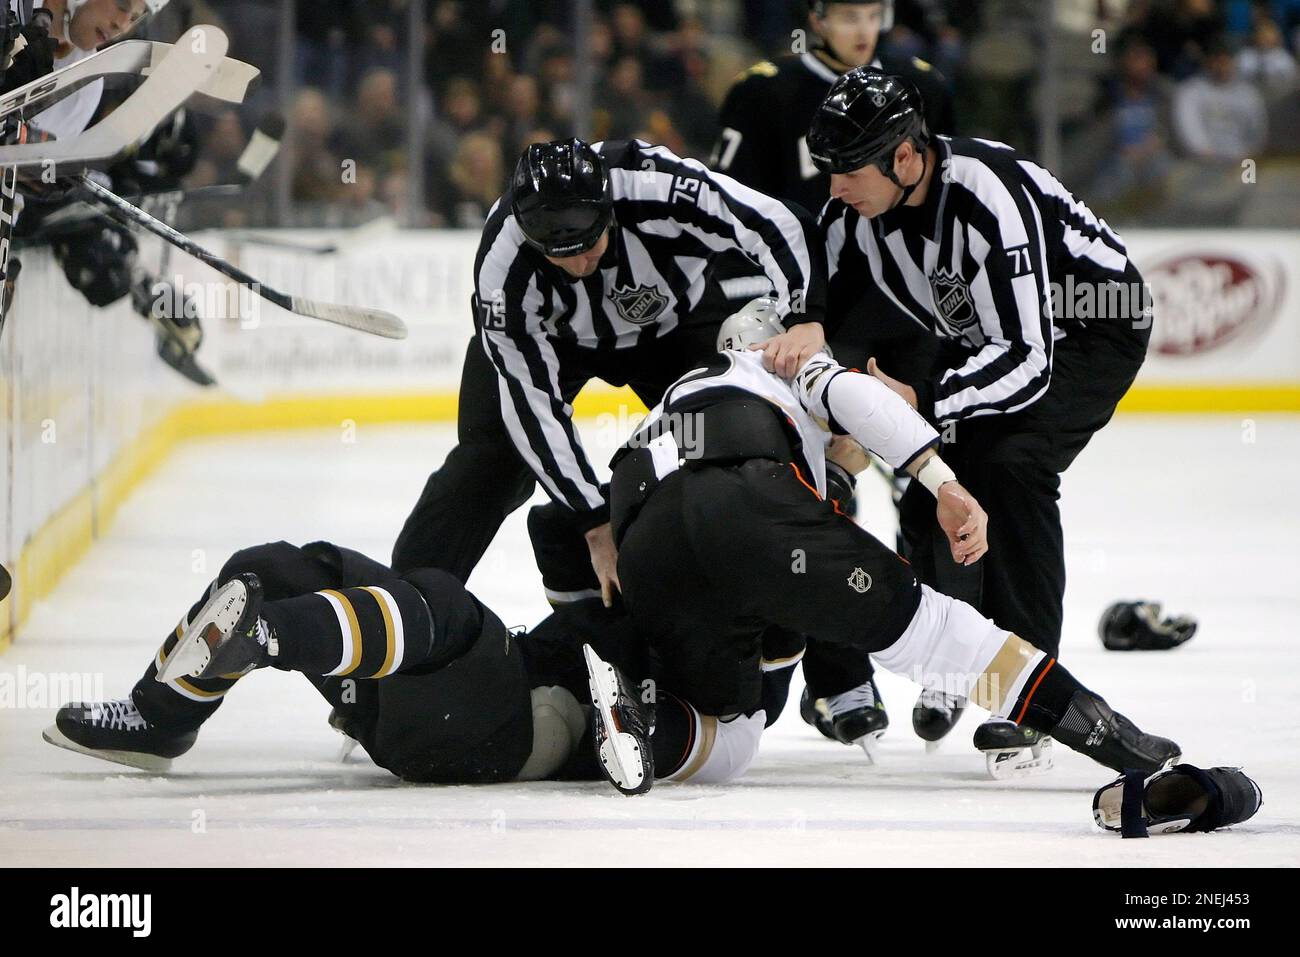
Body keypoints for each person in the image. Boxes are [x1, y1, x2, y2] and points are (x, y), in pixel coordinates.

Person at [592, 296, 1180, 792]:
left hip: (647, 547)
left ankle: (644, 722)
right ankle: (1113, 739)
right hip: (748, 503)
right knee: (944, 634)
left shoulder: (677, 398)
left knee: (733, 731)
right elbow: (860, 400)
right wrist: (942, 483)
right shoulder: (780, 362)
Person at [807, 68, 1156, 766]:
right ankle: (959, 659)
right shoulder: (852, 214)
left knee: (1011, 466)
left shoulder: (985, 195)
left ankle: (1037, 705)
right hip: (988, 339)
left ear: (904, 157)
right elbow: (818, 302)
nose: (834, 187)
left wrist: (923, 408)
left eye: (846, 170)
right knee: (936, 482)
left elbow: (1030, 358)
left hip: (1092, 331)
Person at [390, 137, 828, 602]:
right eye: (561, 254)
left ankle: (798, 605)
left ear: (608, 209)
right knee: (485, 465)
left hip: (677, 325)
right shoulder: (503, 267)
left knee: (738, 442)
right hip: (557, 343)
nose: (581, 264)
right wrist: (593, 519)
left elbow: (777, 221)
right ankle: (402, 615)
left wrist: (805, 316)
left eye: (589, 243)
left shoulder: (652, 184)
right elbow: (530, 405)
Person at [43, 538, 790, 789]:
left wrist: (622, 718)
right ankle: (164, 717)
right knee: (272, 566)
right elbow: (554, 521)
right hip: (437, 706)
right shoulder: (663, 596)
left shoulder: (735, 713)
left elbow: (642, 761)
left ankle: (267, 636)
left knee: (447, 605)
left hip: (502, 733)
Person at [710, 0, 954, 748]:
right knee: (820, 487)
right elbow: (726, 217)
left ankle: (945, 663)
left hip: (906, 315)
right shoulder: (763, 91)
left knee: (932, 485)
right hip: (804, 318)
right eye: (846, 10)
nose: (862, 25)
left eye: (874, 9)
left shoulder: (918, 84)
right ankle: (839, 678)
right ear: (815, 16)